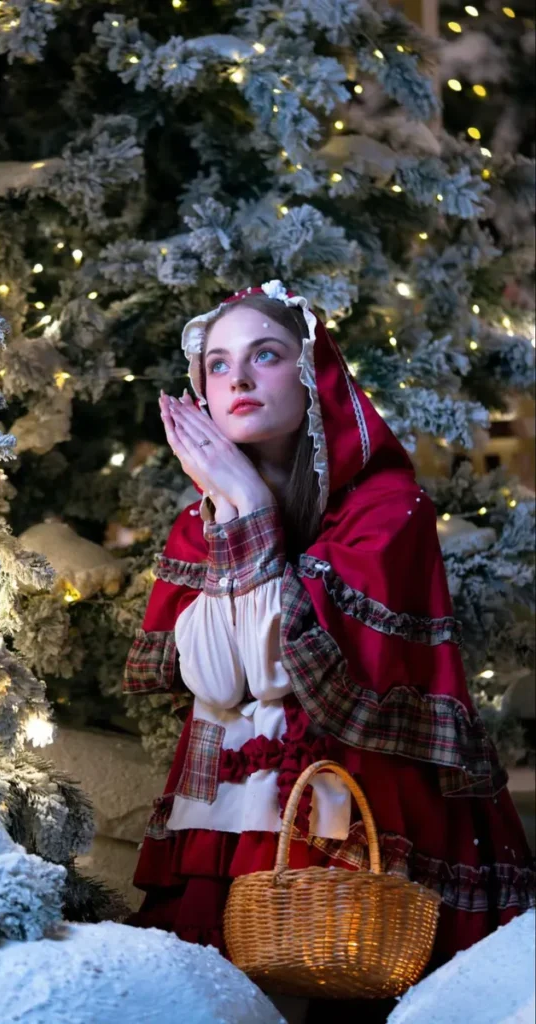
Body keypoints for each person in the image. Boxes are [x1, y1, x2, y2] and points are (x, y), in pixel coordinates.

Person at [122, 281, 535, 1019]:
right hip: (226, 813)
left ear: (312, 374)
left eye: (265, 355)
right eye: (217, 365)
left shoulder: (385, 508)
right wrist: (233, 507)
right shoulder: (200, 518)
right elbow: (219, 683)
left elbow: (287, 672)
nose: (237, 379)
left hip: (350, 806)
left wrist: (248, 507)